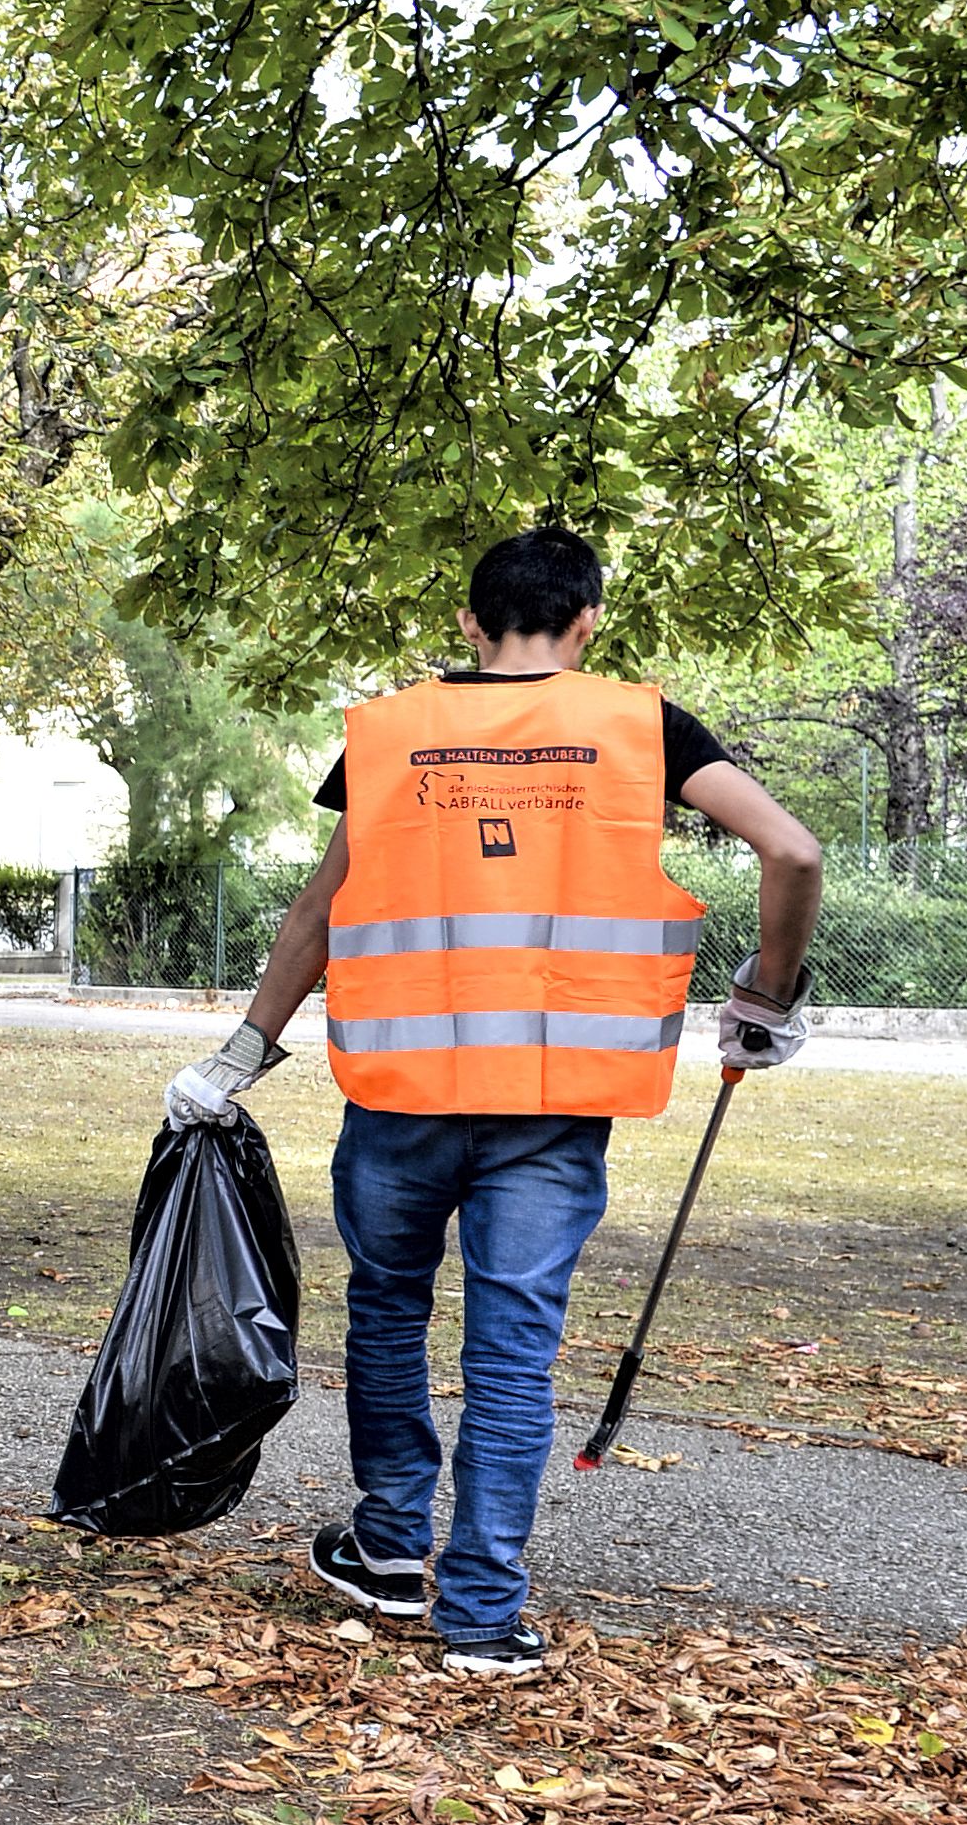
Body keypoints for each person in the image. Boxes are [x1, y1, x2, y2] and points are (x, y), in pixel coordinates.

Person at [166, 526, 822, 1679]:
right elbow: (792, 849)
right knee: (512, 1353)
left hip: (402, 1092)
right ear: (584, 625)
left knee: (386, 1312)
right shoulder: (642, 726)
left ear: (468, 624)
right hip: (553, 1101)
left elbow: (321, 909)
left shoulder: (386, 733)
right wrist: (764, 997)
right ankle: (480, 1613)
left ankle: (385, 1546)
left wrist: (235, 1057)